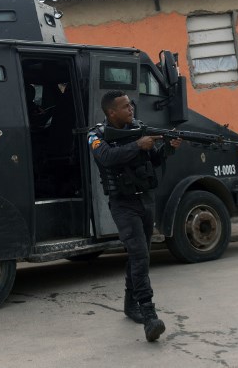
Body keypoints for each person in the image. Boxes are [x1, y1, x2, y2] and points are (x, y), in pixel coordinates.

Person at [88, 90, 181, 342]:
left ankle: (131, 305)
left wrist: (168, 148)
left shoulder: (138, 128)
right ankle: (149, 316)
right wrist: (137, 144)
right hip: (123, 204)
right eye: (126, 107)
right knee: (139, 255)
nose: (131, 110)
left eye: (131, 105)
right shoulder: (95, 135)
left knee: (140, 255)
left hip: (145, 200)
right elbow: (106, 158)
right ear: (111, 112)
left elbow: (154, 159)